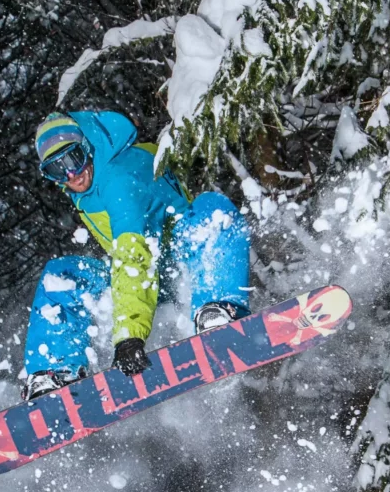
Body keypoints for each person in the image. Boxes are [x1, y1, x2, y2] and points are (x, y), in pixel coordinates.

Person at [22, 110, 252, 400]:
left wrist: (129, 336)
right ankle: (55, 371)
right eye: (57, 169)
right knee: (62, 276)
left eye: (73, 158)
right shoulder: (87, 188)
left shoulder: (117, 178)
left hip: (185, 269)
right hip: (147, 281)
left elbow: (133, 257)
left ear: (87, 147)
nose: (71, 174)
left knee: (211, 209)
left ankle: (218, 308)